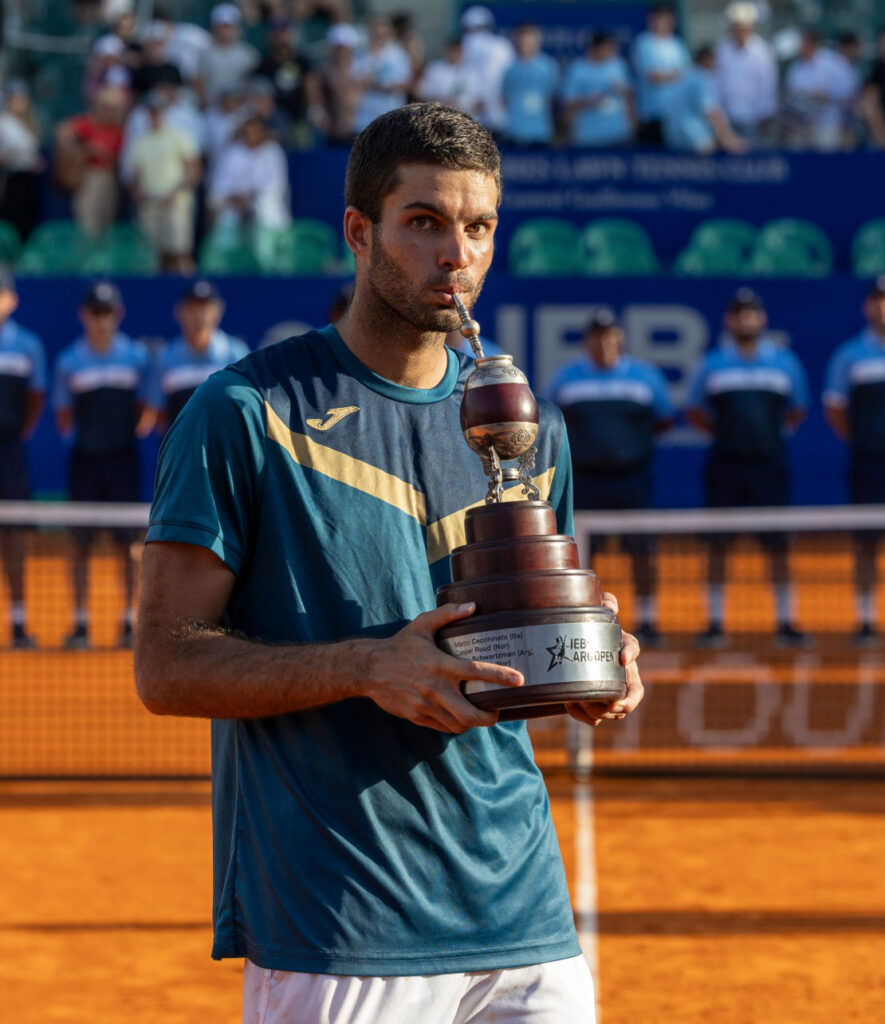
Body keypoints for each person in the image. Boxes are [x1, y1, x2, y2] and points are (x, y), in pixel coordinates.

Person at [135, 102, 643, 1024]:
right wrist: (367, 665)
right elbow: (165, 666)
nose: (457, 255)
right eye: (425, 223)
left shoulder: (531, 428)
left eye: (478, 226)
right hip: (342, 925)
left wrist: (589, 658)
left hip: (524, 918)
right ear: (359, 234)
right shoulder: (246, 411)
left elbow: (525, 632)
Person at [686, 288, 810, 648]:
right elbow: (695, 410)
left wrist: (767, 437)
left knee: (779, 546)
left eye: (751, 313)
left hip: (770, 466)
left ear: (762, 319)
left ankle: (786, 622)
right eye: (738, 313)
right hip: (725, 465)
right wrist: (726, 436)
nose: (745, 319)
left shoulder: (785, 362)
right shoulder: (711, 363)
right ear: (728, 321)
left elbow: (797, 409)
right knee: (717, 546)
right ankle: (715, 622)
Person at [548, 308, 673, 646]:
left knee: (642, 551)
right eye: (597, 337)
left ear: (620, 340)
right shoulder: (566, 379)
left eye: (610, 336)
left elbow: (663, 421)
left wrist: (627, 451)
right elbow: (551, 426)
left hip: (632, 480)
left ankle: (648, 620)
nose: (604, 343)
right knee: (585, 554)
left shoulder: (647, 378)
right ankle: (585, 617)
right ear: (587, 342)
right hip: (585, 482)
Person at [53, 281, 154, 650]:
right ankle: (80, 622)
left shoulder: (137, 358)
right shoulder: (68, 361)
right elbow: (62, 415)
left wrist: (125, 436)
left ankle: (129, 621)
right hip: (84, 463)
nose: (101, 320)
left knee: (129, 546)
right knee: (79, 546)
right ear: (84, 316)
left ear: (118, 315)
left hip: (123, 462)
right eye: (95, 313)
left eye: (107, 312)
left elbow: (146, 408)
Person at [822, 278, 885, 645]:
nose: (882, 307)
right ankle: (865, 619)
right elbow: (835, 408)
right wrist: (867, 442)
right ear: (867, 307)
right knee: (866, 543)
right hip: (869, 463)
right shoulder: (850, 355)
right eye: (877, 300)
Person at [0, 271, 46, 649]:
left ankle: (18, 620)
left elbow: (36, 400)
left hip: (10, 453)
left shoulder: (28, 345)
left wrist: (17, 430)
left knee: (13, 537)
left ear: (12, 300)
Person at [151, 279, 250, 430]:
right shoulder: (165, 358)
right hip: (182, 451)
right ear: (179, 312)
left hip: (226, 450)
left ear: (218, 311)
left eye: (205, 307)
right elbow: (159, 415)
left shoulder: (237, 354)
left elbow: (247, 407)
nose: (199, 314)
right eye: (192, 307)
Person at [125, 90, 202, 273]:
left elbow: (193, 168)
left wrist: (176, 192)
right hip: (149, 205)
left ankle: (188, 290)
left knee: (180, 251)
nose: (155, 115)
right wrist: (139, 195)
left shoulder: (179, 136)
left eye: (158, 110)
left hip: (176, 202)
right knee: (151, 254)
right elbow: (134, 175)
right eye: (152, 111)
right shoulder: (140, 141)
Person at [54, 86, 128, 236]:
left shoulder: (119, 129)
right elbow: (62, 132)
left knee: (106, 220)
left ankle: (102, 257)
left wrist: (107, 156)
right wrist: (85, 149)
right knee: (87, 220)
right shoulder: (89, 123)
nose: (111, 112)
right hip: (90, 175)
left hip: (110, 176)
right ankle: (87, 255)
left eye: (114, 108)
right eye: (107, 108)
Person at [783, 28, 858, 151]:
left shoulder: (832, 63)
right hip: (801, 127)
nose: (800, 47)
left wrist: (826, 94)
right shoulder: (795, 68)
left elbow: (848, 91)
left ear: (812, 43)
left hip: (826, 126)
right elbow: (789, 94)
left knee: (827, 167)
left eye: (803, 43)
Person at [663, 46, 748, 154]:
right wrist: (729, 139)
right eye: (715, 59)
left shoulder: (688, 74)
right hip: (690, 136)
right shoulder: (700, 78)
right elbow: (712, 113)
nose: (717, 63)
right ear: (706, 59)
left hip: (672, 134)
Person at [714, 2, 777, 144]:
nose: (740, 31)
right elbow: (717, 83)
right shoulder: (721, 50)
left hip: (753, 117)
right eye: (736, 27)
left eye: (743, 27)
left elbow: (767, 85)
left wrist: (765, 115)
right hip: (727, 117)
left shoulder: (762, 52)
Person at [560, 31, 634, 148]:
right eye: (607, 49)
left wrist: (631, 126)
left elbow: (629, 97)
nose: (612, 52)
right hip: (588, 137)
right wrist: (591, 101)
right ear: (595, 48)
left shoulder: (619, 65)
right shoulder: (577, 69)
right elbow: (568, 104)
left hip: (619, 134)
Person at [631, 2, 689, 145]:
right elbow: (653, 77)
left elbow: (688, 75)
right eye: (657, 18)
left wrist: (671, 76)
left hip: (677, 113)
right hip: (652, 113)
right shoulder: (643, 43)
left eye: (664, 18)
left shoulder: (677, 44)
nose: (660, 23)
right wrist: (676, 75)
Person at [350, 15, 412, 133]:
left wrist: (383, 85)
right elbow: (354, 81)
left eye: (382, 31)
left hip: (391, 117)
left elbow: (406, 83)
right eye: (375, 30)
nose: (379, 34)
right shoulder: (360, 54)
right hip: (364, 118)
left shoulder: (397, 54)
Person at [500, 22, 558, 146]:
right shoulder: (510, 68)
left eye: (529, 38)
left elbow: (552, 98)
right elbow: (504, 99)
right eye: (522, 38)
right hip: (514, 132)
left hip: (541, 133)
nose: (525, 42)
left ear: (537, 39)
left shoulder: (548, 66)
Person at [0, 80, 44, 241]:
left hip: (29, 179)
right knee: (11, 221)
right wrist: (10, 157)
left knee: (27, 221)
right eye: (17, 100)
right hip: (11, 178)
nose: (21, 104)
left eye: (24, 100)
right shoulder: (3, 123)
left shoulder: (29, 124)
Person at [196, 3, 260, 107]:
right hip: (213, 110)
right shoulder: (205, 54)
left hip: (241, 110)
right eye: (222, 27)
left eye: (230, 27)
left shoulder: (249, 55)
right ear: (214, 28)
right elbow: (200, 82)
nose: (226, 31)